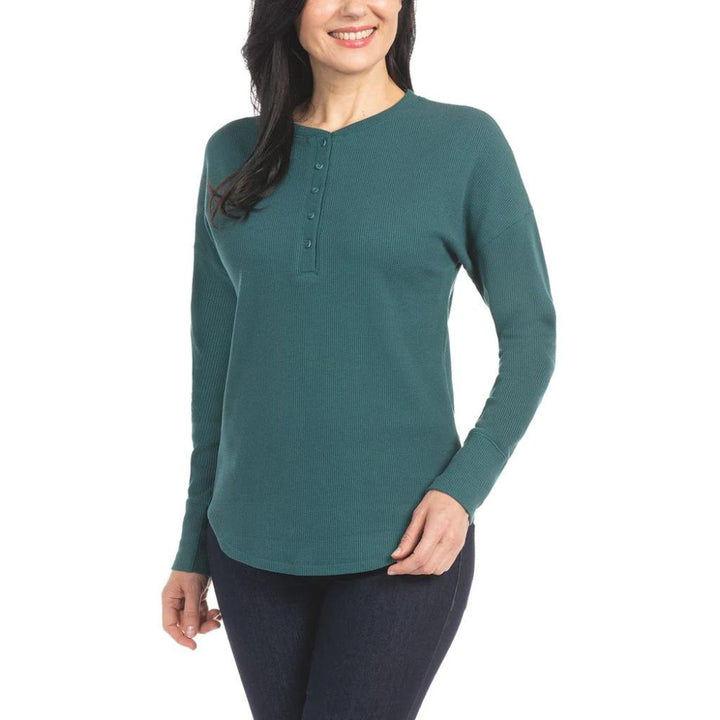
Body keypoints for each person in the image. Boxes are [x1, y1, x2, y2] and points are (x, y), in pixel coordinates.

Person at [161, 1, 556, 718]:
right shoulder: (231, 153)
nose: (355, 6)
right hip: (247, 545)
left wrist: (463, 489)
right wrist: (192, 545)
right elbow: (212, 366)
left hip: (402, 543)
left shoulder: (464, 144)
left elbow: (532, 336)